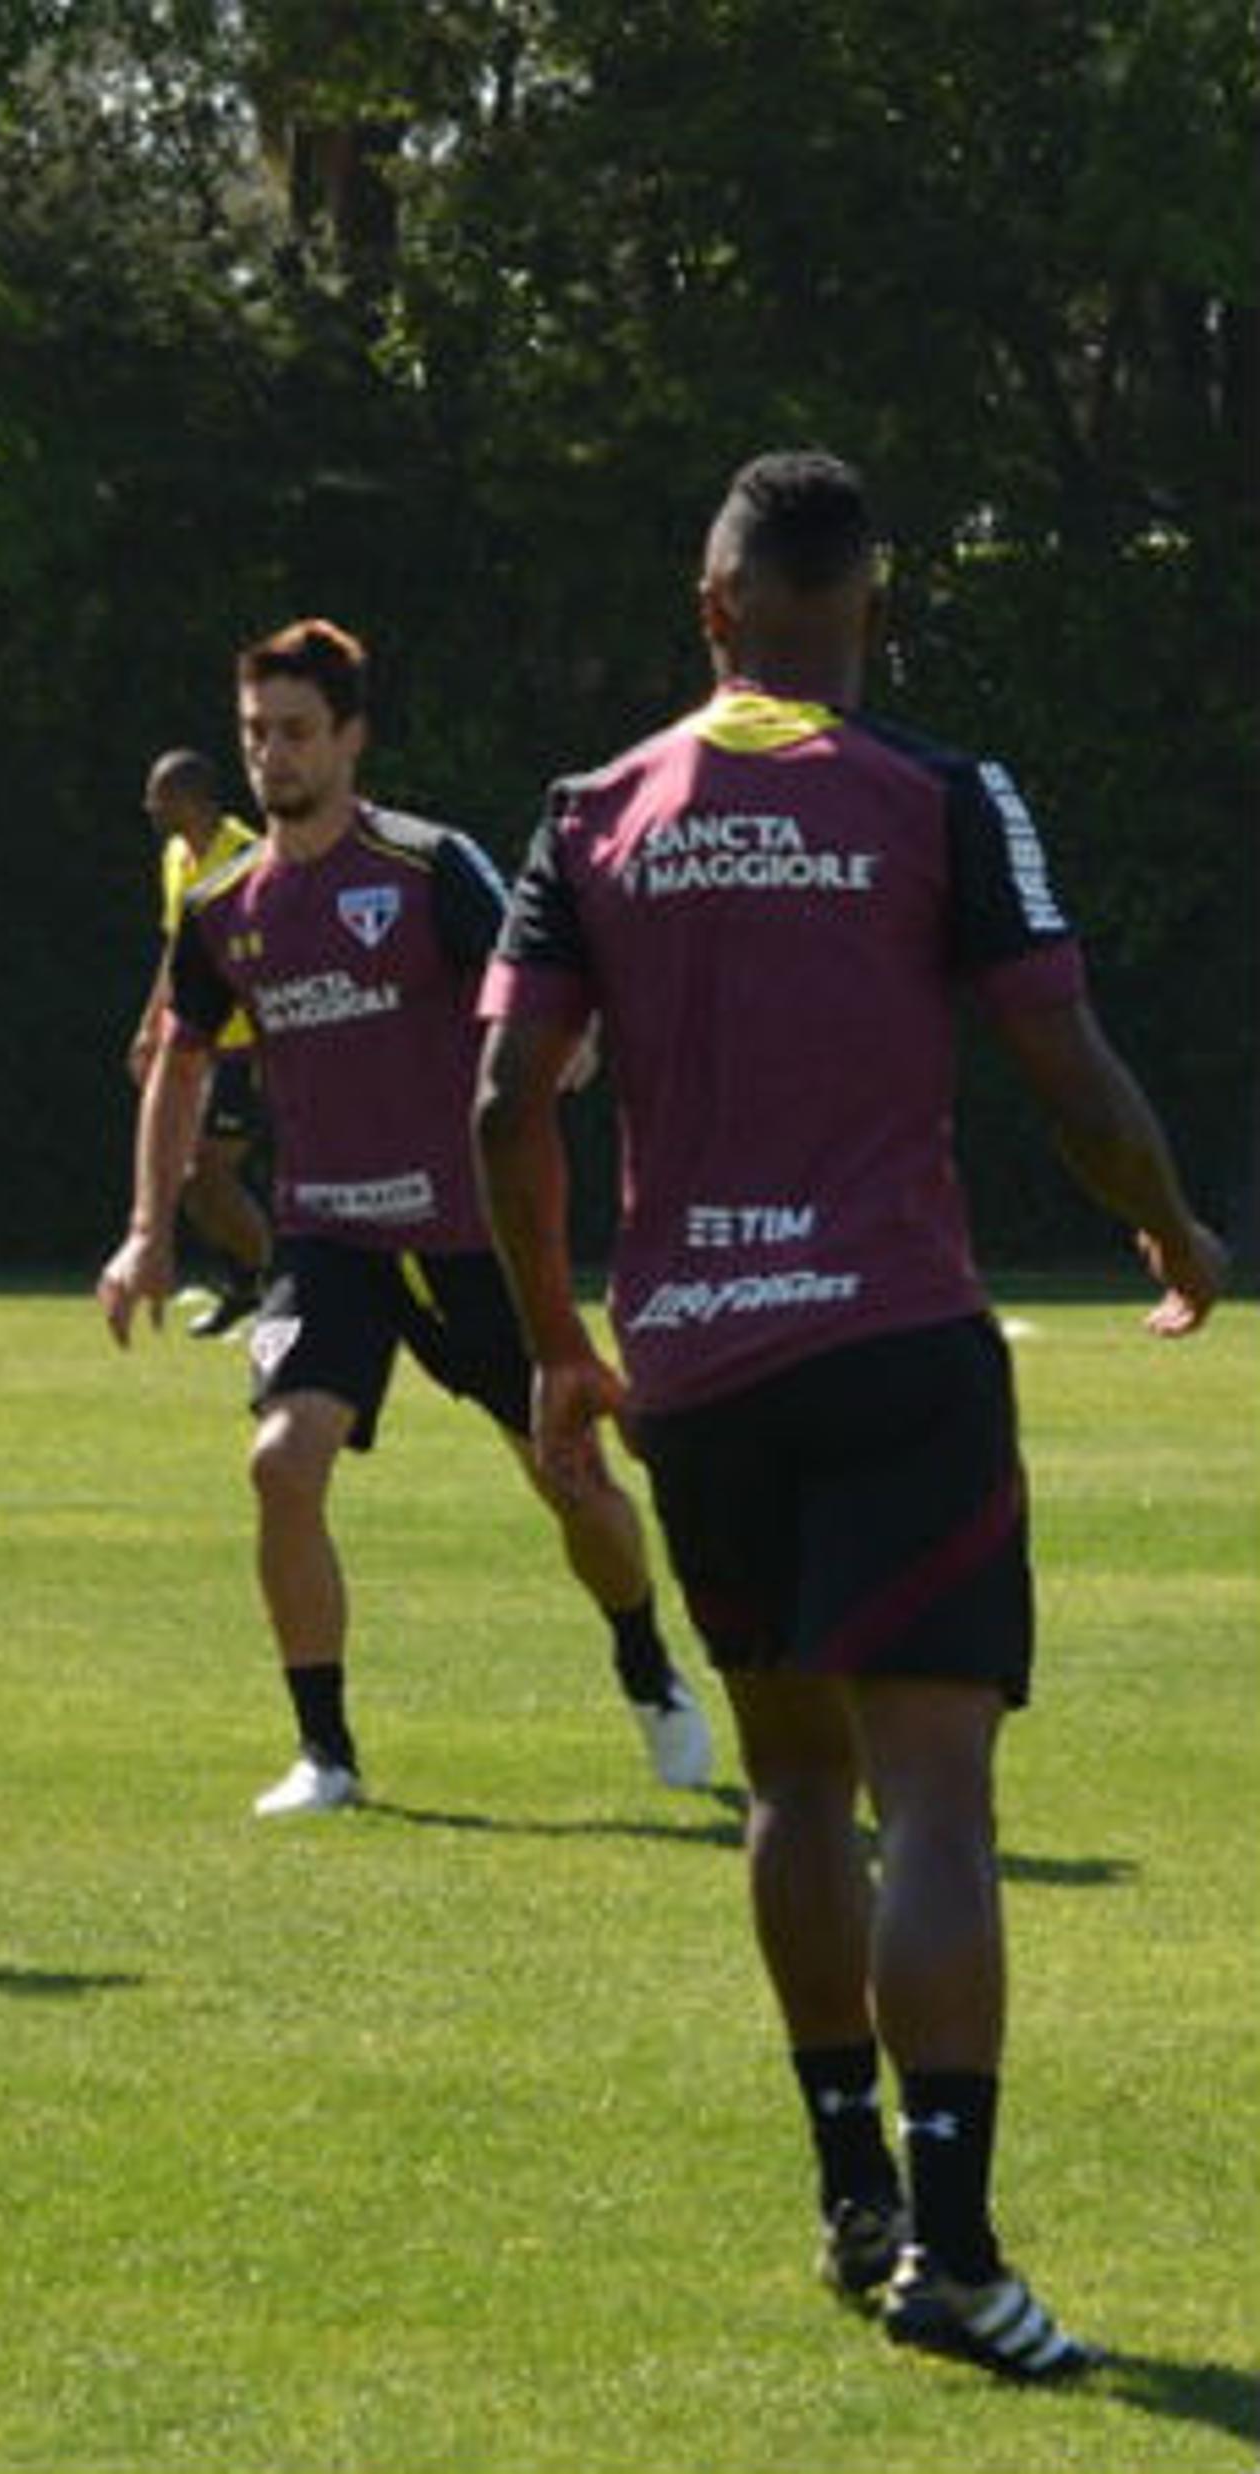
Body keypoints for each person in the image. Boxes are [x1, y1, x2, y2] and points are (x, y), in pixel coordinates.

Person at [475, 451, 1224, 2381]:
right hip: (895, 1344)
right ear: (867, 612)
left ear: (711, 608)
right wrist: (1167, 1219)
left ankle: (853, 2191)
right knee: (940, 1800)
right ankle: (959, 2253)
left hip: (701, 1370)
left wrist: (562, 1343)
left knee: (798, 1783)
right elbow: (1059, 1056)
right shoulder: (942, 795)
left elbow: (503, 1106)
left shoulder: (590, 812)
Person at [98, 618, 709, 1816]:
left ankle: (647, 1664)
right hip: (328, 1235)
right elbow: (180, 1062)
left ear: (351, 739)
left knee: (571, 1480)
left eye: (297, 732)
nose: (273, 755)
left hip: (471, 1233)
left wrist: (566, 1050)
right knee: (281, 1462)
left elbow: (539, 997)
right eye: (256, 733)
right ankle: (325, 1752)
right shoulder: (222, 901)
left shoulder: (430, 869)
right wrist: (147, 1229)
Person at [129, 749, 269, 1337]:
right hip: (200, 1046)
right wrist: (150, 1024)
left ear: (194, 797)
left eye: (160, 793)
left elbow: (276, 948)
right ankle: (249, 1285)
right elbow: (177, 953)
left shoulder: (246, 854)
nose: (150, 805)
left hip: (250, 1046)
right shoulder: (175, 857)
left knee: (205, 1169)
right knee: (193, 1180)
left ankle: (278, 1281)